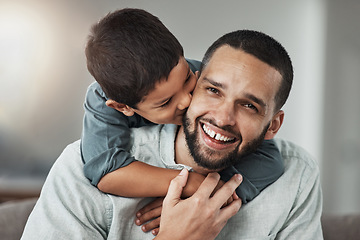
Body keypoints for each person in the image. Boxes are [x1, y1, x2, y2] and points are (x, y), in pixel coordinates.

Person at [21, 29, 323, 239]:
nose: (223, 117)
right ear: (199, 83)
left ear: (273, 125)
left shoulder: (298, 174)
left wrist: (217, 196)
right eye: (214, 90)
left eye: (248, 105)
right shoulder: (79, 167)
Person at [81, 8, 283, 206]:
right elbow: (106, 173)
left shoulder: (204, 77)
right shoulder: (103, 99)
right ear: (122, 107)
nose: (187, 100)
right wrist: (189, 184)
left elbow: (268, 158)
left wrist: (212, 194)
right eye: (165, 102)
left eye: (187, 79)